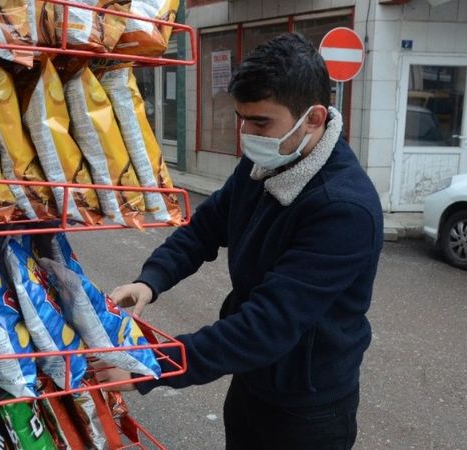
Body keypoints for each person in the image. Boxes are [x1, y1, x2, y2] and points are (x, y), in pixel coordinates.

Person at [97, 33, 384, 449]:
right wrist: (151, 279)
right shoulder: (264, 162)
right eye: (241, 118)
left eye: (261, 122)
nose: (246, 134)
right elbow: (205, 228)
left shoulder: (343, 209)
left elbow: (266, 326)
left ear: (314, 118)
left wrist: (151, 364)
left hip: (308, 409)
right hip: (252, 381)